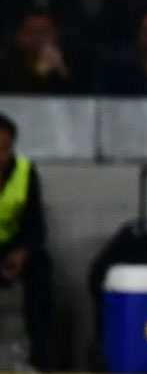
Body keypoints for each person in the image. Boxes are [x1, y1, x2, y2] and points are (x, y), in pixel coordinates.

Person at [0, 113, 52, 371]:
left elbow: (36, 225)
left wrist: (23, 253)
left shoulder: (25, 171)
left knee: (42, 267)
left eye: (3, 149)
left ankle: (38, 359)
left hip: (12, 248)